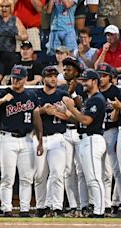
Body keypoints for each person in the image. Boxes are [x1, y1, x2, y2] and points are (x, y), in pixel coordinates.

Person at [0, 65, 43, 217]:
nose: (15, 80)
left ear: (25, 79)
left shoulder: (31, 95)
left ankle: (25, 209)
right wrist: (2, 100)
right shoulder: (3, 92)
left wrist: (40, 141)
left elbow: (37, 119)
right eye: (14, 77)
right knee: (7, 177)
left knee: (26, 177)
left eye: (19, 78)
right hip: (8, 138)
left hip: (27, 139)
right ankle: (7, 209)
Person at [62, 69, 106, 218]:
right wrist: (67, 112)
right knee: (90, 178)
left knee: (94, 177)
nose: (83, 83)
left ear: (94, 81)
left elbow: (87, 120)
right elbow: (80, 120)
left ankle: (99, 211)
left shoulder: (97, 99)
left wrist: (71, 108)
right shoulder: (90, 99)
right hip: (86, 139)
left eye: (86, 80)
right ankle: (97, 210)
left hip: (93, 139)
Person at [34, 65, 68, 217]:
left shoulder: (62, 95)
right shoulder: (35, 94)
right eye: (49, 76)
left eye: (55, 76)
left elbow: (68, 116)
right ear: (43, 78)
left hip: (57, 136)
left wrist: (57, 112)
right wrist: (43, 110)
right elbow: (30, 116)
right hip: (40, 138)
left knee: (57, 173)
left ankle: (57, 207)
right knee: (40, 175)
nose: (53, 78)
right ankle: (41, 207)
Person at [97, 63, 121, 217]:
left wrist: (118, 108)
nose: (101, 78)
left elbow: (115, 117)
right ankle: (104, 204)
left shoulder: (116, 91)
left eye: (104, 75)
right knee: (100, 171)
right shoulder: (95, 91)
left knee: (115, 170)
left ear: (111, 78)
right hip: (97, 132)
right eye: (99, 75)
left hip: (112, 130)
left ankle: (115, 202)